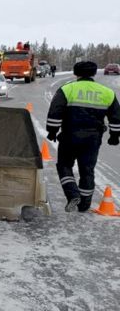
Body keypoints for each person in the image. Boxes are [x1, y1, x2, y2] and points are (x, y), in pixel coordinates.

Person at [46, 61, 120, 212]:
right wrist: (114, 136)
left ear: (76, 73)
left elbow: (55, 111)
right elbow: (116, 117)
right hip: (93, 139)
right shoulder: (107, 92)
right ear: (94, 73)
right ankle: (84, 205)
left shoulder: (67, 89)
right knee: (87, 170)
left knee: (64, 165)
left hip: (69, 136)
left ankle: (73, 194)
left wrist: (52, 131)